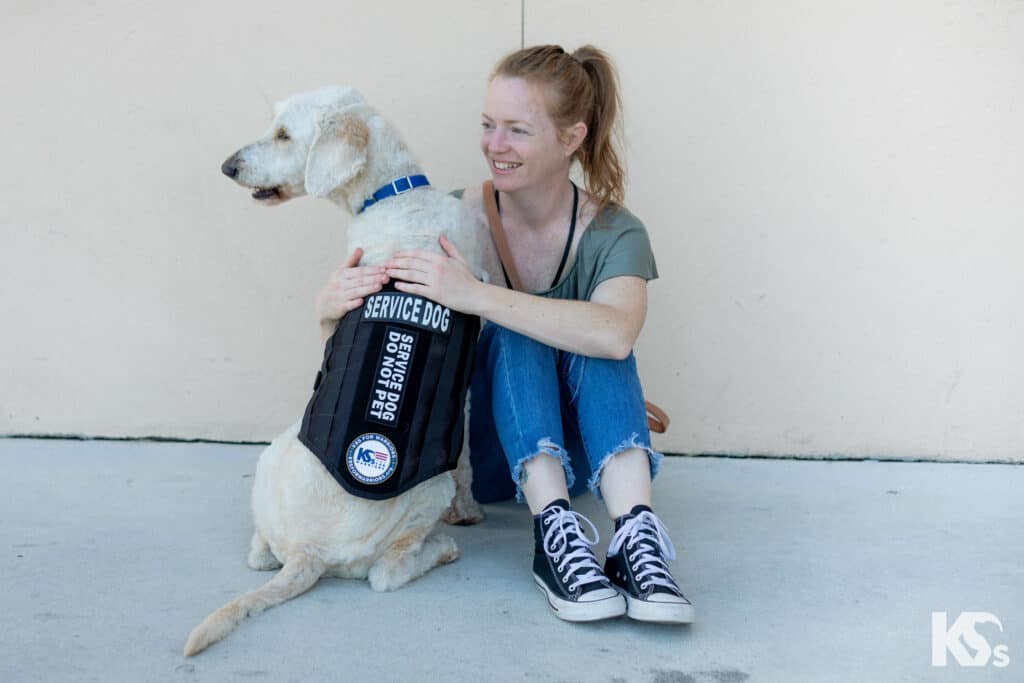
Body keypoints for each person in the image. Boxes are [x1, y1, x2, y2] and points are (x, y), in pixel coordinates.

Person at [314, 44, 693, 624]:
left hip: (591, 455)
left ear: (571, 138)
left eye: (517, 130)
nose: (494, 145)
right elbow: (384, 348)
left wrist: (476, 295)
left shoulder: (616, 231)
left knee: (599, 337)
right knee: (519, 332)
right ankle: (554, 538)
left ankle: (635, 539)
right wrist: (329, 310)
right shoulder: (448, 219)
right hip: (486, 456)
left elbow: (616, 335)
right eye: (488, 126)